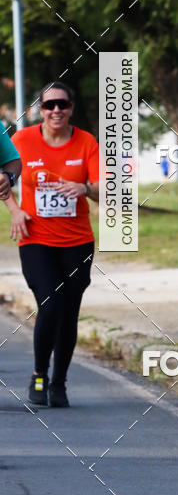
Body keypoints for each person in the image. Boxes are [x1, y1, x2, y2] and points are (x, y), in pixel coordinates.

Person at [5, 82, 99, 408]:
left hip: (77, 242)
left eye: (62, 104)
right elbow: (4, 179)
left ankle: (59, 383)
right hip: (36, 240)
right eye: (49, 106)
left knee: (69, 312)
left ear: (71, 108)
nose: (56, 110)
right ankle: (39, 374)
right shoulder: (22, 140)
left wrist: (84, 187)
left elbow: (106, 190)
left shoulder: (86, 142)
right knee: (51, 303)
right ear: (40, 110)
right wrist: (15, 211)